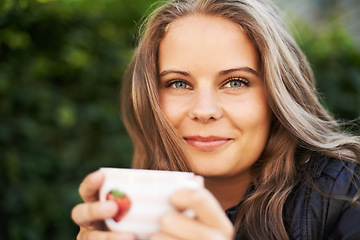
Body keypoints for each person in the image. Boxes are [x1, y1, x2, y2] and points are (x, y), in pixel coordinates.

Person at [71, 0, 360, 239]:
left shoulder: (346, 189)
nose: (204, 110)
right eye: (178, 84)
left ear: (278, 94)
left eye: (235, 82)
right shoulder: (140, 208)